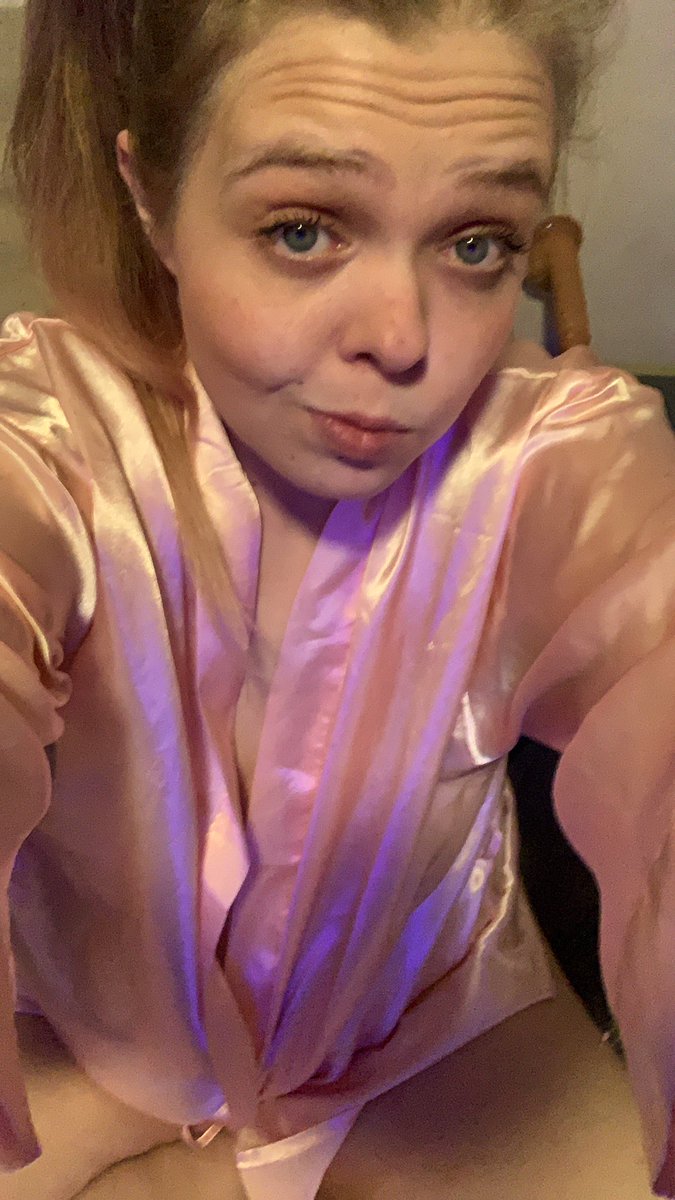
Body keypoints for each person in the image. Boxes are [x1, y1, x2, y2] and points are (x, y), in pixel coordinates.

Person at [0, 1, 673, 1197]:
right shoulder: (46, 438)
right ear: (150, 194)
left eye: (476, 243)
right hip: (88, 1052)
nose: (403, 340)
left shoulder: (546, 456)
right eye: (303, 230)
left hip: (437, 1036)